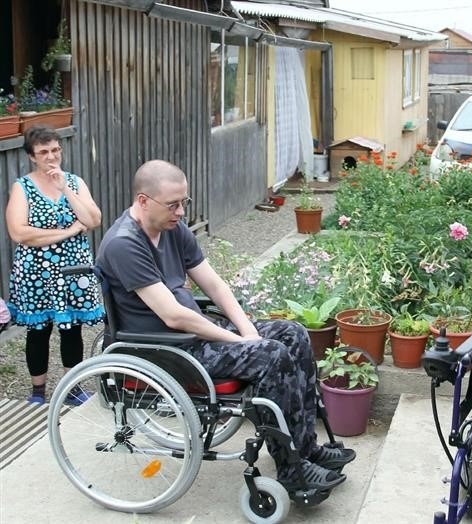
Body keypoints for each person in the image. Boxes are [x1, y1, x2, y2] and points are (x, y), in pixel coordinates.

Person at [95, 159, 355, 495]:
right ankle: (292, 470)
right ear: (143, 201)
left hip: (195, 335)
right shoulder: (124, 244)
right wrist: (237, 340)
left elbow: (215, 286)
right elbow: (173, 316)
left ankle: (306, 447)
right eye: (173, 204)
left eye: (184, 202)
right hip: (165, 349)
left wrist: (246, 330)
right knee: (271, 356)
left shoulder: (173, 229)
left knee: (293, 334)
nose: (180, 212)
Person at [5, 125, 104, 406]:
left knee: (71, 328)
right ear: (32, 156)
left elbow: (94, 220)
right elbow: (20, 233)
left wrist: (65, 189)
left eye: (56, 150)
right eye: (44, 152)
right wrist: (69, 231)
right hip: (36, 272)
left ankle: (72, 390)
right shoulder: (22, 187)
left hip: (72, 270)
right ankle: (38, 392)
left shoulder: (74, 182)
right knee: (38, 331)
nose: (51, 156)